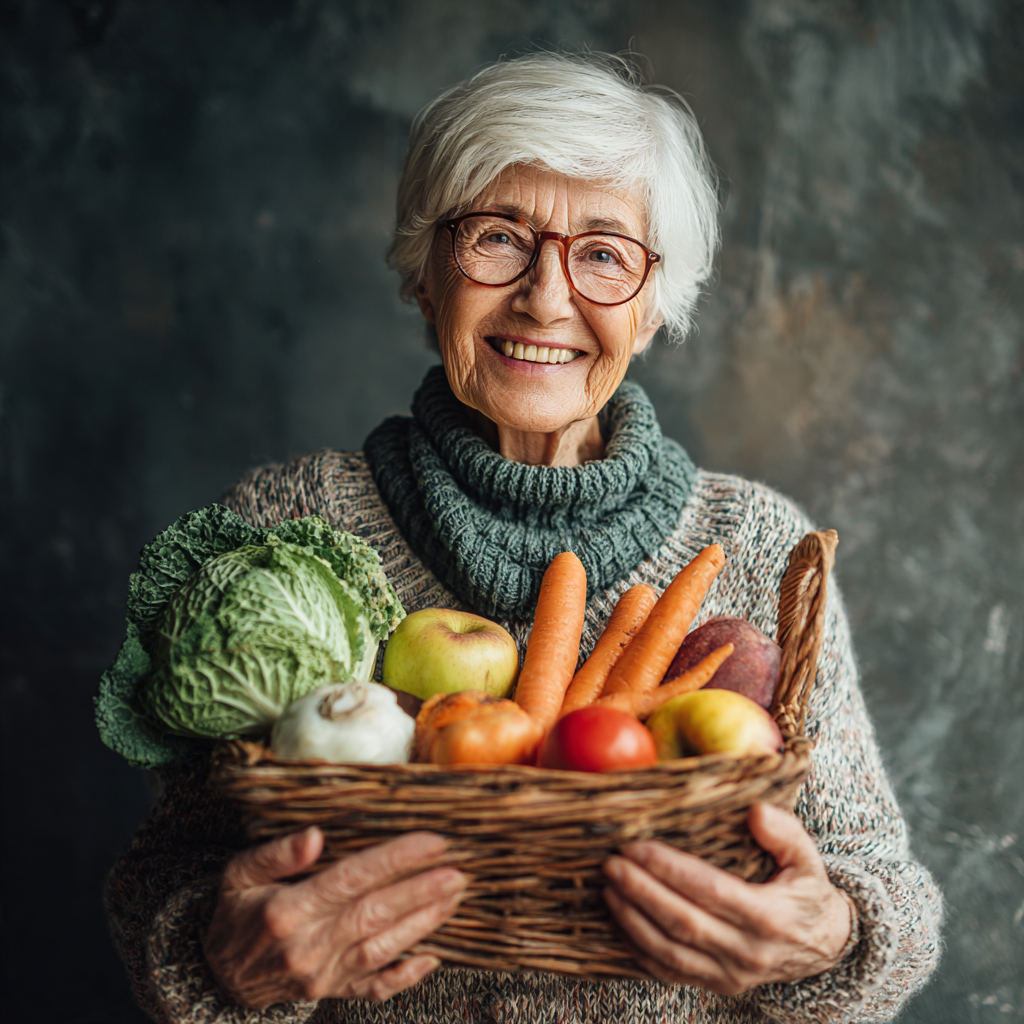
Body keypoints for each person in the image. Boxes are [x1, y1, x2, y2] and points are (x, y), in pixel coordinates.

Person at [105, 52, 943, 1024]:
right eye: (496, 238)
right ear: (426, 273)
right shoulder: (287, 531)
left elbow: (886, 890)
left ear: (654, 302)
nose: (545, 298)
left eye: (602, 253)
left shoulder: (755, 543)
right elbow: (162, 881)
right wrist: (221, 962)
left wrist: (832, 936)